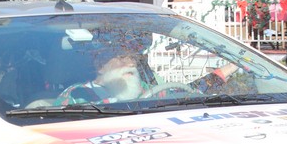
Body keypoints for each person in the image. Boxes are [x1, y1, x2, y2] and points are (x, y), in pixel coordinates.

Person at [54, 47, 238, 105]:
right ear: (101, 66)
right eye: (122, 59)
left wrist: (232, 66)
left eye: (133, 60)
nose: (131, 64)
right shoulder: (80, 95)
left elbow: (189, 93)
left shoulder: (147, 91)